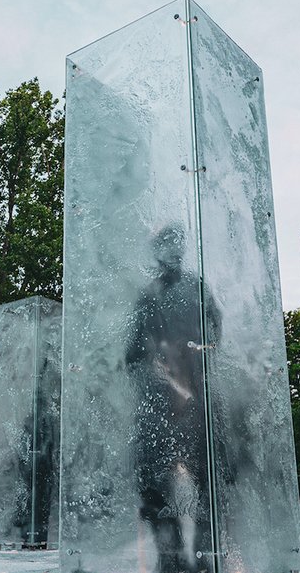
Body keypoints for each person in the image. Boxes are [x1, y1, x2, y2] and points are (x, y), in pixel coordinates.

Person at [125, 225, 221, 573]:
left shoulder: (197, 288)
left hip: (195, 397)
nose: (172, 251)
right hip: (161, 399)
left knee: (211, 481)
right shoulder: (149, 295)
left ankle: (203, 556)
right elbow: (134, 350)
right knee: (151, 479)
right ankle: (171, 556)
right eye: (165, 245)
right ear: (157, 252)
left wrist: (196, 369)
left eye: (176, 245)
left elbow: (215, 333)